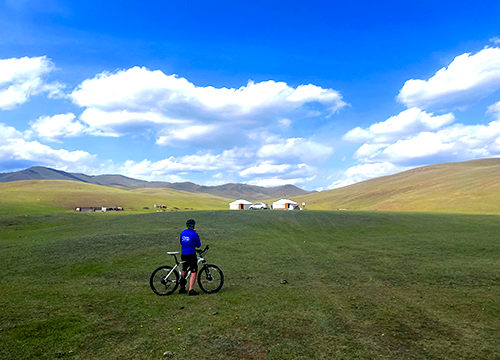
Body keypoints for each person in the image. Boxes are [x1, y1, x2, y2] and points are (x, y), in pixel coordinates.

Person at [178, 219, 201, 295]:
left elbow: (181, 242)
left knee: (184, 270)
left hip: (184, 254)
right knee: (193, 272)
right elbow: (198, 245)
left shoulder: (182, 233)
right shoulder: (194, 234)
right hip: (191, 254)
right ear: (193, 225)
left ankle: (181, 288)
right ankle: (191, 289)